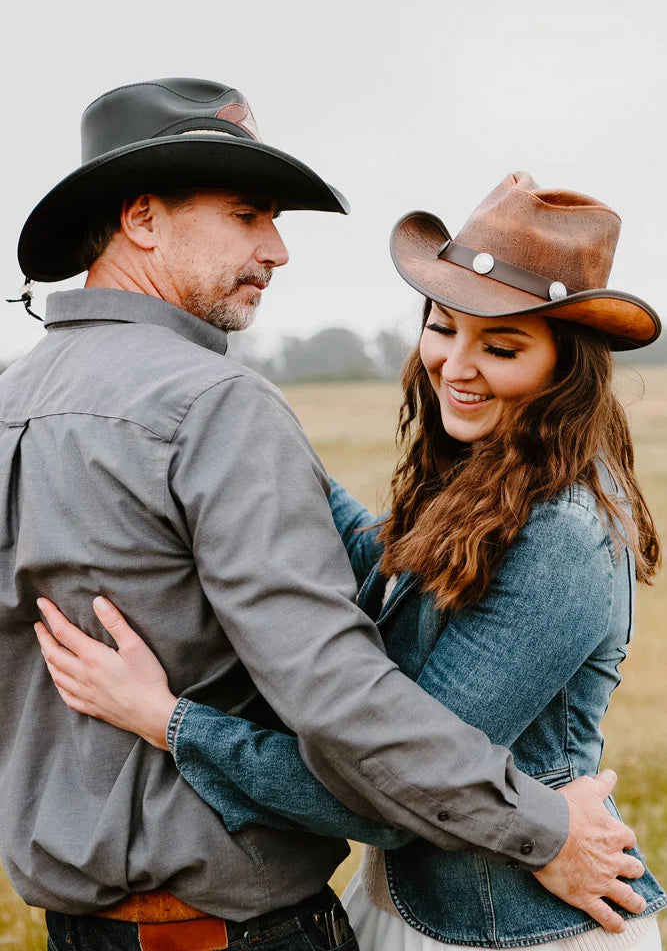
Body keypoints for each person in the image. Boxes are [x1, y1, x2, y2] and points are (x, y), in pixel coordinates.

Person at [0, 73, 644, 950]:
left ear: (564, 366)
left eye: (499, 343)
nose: (279, 249)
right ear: (142, 217)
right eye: (248, 214)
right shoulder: (213, 406)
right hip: (258, 927)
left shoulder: (17, 397)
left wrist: (166, 718)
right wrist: (545, 827)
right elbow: (349, 715)